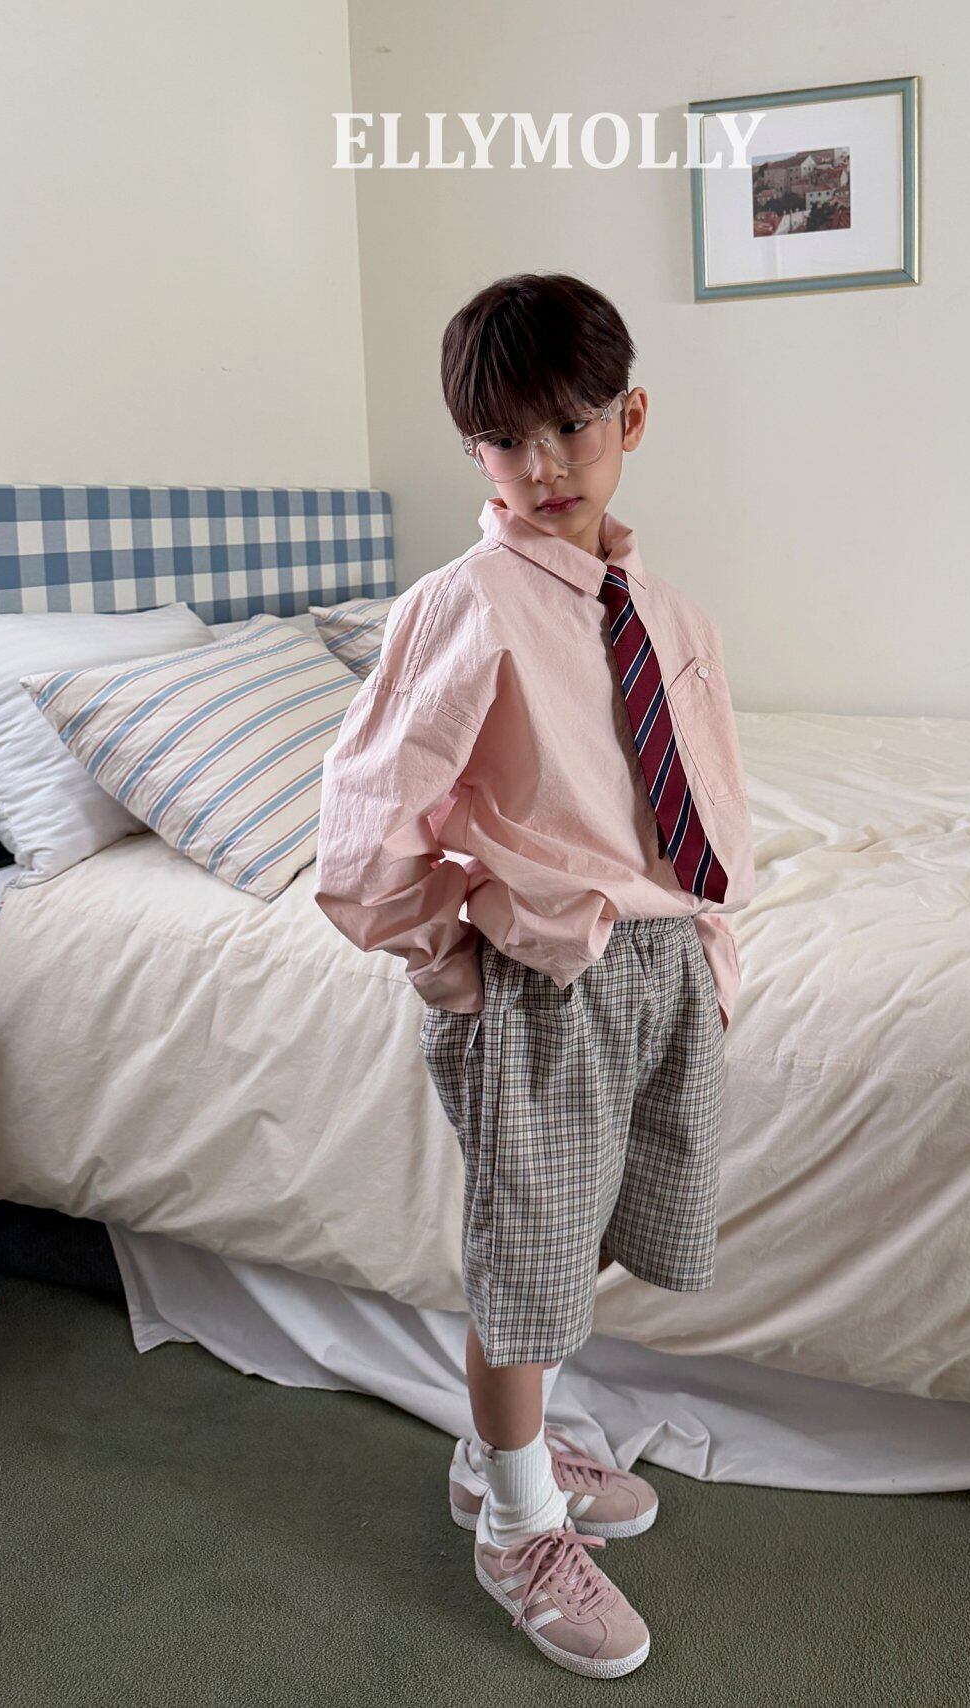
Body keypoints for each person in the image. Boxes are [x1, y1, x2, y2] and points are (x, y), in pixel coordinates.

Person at [314, 272, 754, 1679]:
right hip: (545, 982)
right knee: (527, 1265)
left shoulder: (665, 613)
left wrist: (708, 949)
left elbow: (700, 799)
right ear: (475, 453)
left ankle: (497, 1451)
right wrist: (455, 967)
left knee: (594, 1235)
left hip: (660, 967)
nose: (545, 463)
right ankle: (514, 1521)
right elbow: (365, 837)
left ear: (633, 418)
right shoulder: (465, 607)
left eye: (572, 424)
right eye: (507, 439)